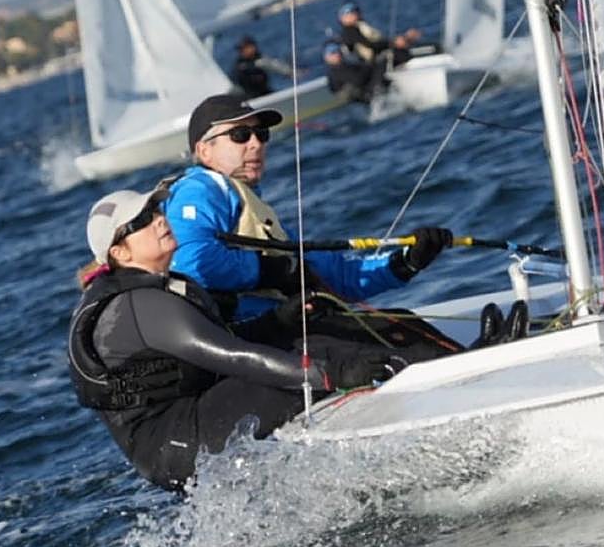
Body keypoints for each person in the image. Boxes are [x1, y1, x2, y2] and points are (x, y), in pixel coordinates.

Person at [68, 188, 408, 490]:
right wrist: (331, 373)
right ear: (121, 254)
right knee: (317, 353)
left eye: (156, 211)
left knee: (317, 337)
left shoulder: (168, 286)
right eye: (142, 220)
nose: (158, 219)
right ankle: (411, 396)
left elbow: (221, 343)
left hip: (190, 419)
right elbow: (232, 356)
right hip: (174, 444)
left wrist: (278, 321)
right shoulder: (137, 305)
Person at [160, 93, 459, 357]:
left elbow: (333, 277)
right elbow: (189, 261)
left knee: (398, 323)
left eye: (261, 134)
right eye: (240, 134)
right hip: (252, 341)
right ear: (204, 150)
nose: (256, 144)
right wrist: (270, 272)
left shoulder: (250, 205)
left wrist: (405, 263)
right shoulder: (199, 189)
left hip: (291, 328)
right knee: (395, 334)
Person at [336, 1, 433, 68]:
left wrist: (404, 39)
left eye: (355, 10)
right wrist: (395, 42)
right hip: (376, 64)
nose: (354, 14)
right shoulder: (349, 32)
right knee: (402, 54)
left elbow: (378, 41)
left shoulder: (360, 27)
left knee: (430, 47)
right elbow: (370, 45)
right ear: (342, 18)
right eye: (349, 12)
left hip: (382, 56)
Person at [323, 40, 388, 104]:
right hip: (360, 98)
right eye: (333, 52)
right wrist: (369, 66)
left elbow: (360, 68)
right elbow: (358, 79)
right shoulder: (336, 70)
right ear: (327, 57)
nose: (337, 54)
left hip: (364, 93)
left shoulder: (344, 64)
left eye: (338, 50)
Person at [231, 35, 294, 99]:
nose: (242, 51)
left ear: (252, 47)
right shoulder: (239, 65)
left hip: (263, 92)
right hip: (248, 96)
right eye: (240, 49)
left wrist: (289, 72)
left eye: (244, 48)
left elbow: (275, 66)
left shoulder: (261, 59)